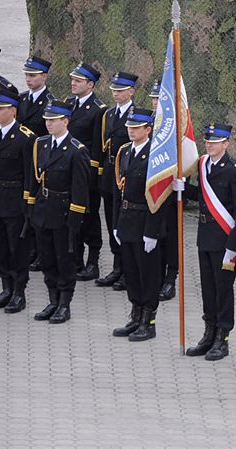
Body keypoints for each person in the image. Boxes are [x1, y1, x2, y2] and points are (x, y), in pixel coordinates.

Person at [175, 124, 236, 360]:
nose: (210, 144)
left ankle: (222, 338)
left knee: (223, 290)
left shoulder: (235, 171)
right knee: (208, 288)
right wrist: (184, 189)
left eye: (216, 141)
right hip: (205, 236)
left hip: (225, 240)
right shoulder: (203, 164)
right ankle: (209, 333)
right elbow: (203, 196)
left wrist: (233, 246)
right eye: (208, 140)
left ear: (226, 144)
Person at [26, 99, 90, 324]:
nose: (49, 124)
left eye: (53, 120)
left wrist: (75, 218)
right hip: (43, 209)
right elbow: (35, 180)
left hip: (63, 211)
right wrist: (31, 207)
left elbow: (80, 189)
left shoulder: (76, 150)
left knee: (64, 259)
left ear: (65, 121)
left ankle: (64, 303)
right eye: (47, 120)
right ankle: (52, 299)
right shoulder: (41, 144)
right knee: (46, 257)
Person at [110, 108, 169, 341]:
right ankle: (135, 316)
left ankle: (148, 320)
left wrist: (152, 231)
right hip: (127, 220)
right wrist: (116, 223)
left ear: (148, 129)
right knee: (132, 272)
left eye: (136, 128)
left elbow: (160, 197)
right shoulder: (124, 151)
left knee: (148, 274)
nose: (131, 131)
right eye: (129, 127)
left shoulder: (156, 155)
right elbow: (118, 190)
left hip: (146, 222)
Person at [96, 71, 138, 290]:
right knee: (111, 220)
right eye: (114, 90)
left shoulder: (136, 115)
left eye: (121, 90)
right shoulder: (109, 114)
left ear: (131, 92)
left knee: (123, 221)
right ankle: (116, 266)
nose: (116, 94)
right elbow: (101, 146)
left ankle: (127, 269)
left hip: (125, 173)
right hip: (109, 171)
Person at [0, 84, 35, 313]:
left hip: (15, 201)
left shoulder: (25, 138)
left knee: (17, 248)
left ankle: (19, 291)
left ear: (13, 110)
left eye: (1, 108)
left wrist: (28, 204)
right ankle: (6, 287)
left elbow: (31, 174)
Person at [66, 62, 106, 281]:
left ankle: (93, 261)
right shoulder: (68, 103)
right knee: (73, 215)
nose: (73, 83)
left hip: (86, 173)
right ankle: (76, 258)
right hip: (67, 172)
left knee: (90, 217)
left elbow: (98, 147)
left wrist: (93, 176)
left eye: (78, 81)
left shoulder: (98, 110)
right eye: (73, 79)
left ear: (90, 84)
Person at [18, 56, 54, 272]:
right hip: (19, 161)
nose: (28, 79)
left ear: (44, 76)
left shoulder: (50, 103)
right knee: (23, 206)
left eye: (33, 75)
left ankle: (40, 252)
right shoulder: (21, 99)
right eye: (27, 75)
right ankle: (29, 248)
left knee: (38, 208)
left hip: (39, 163)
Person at [149, 78, 178, 302]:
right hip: (151, 188)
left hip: (170, 190)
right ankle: (155, 276)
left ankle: (170, 279)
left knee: (170, 236)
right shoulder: (146, 123)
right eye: (154, 99)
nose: (156, 103)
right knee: (153, 234)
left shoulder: (175, 127)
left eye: (160, 99)